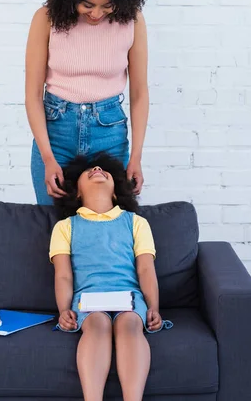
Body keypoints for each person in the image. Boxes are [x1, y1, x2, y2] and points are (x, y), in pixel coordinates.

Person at [25, 0, 153, 205]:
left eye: (107, 6)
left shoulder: (133, 21)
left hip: (109, 133)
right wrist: (48, 158)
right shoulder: (46, 19)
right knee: (53, 224)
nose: (96, 14)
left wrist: (136, 157)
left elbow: (140, 93)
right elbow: (33, 94)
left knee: (114, 219)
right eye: (87, 5)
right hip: (56, 132)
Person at [49, 153, 173, 401]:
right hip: (88, 299)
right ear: (76, 193)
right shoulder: (65, 227)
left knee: (130, 324)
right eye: (89, 171)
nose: (97, 168)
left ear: (116, 191)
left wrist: (153, 307)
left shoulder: (136, 223)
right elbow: (63, 275)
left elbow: (146, 269)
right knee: (96, 325)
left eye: (104, 170)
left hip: (129, 297)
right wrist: (64, 310)